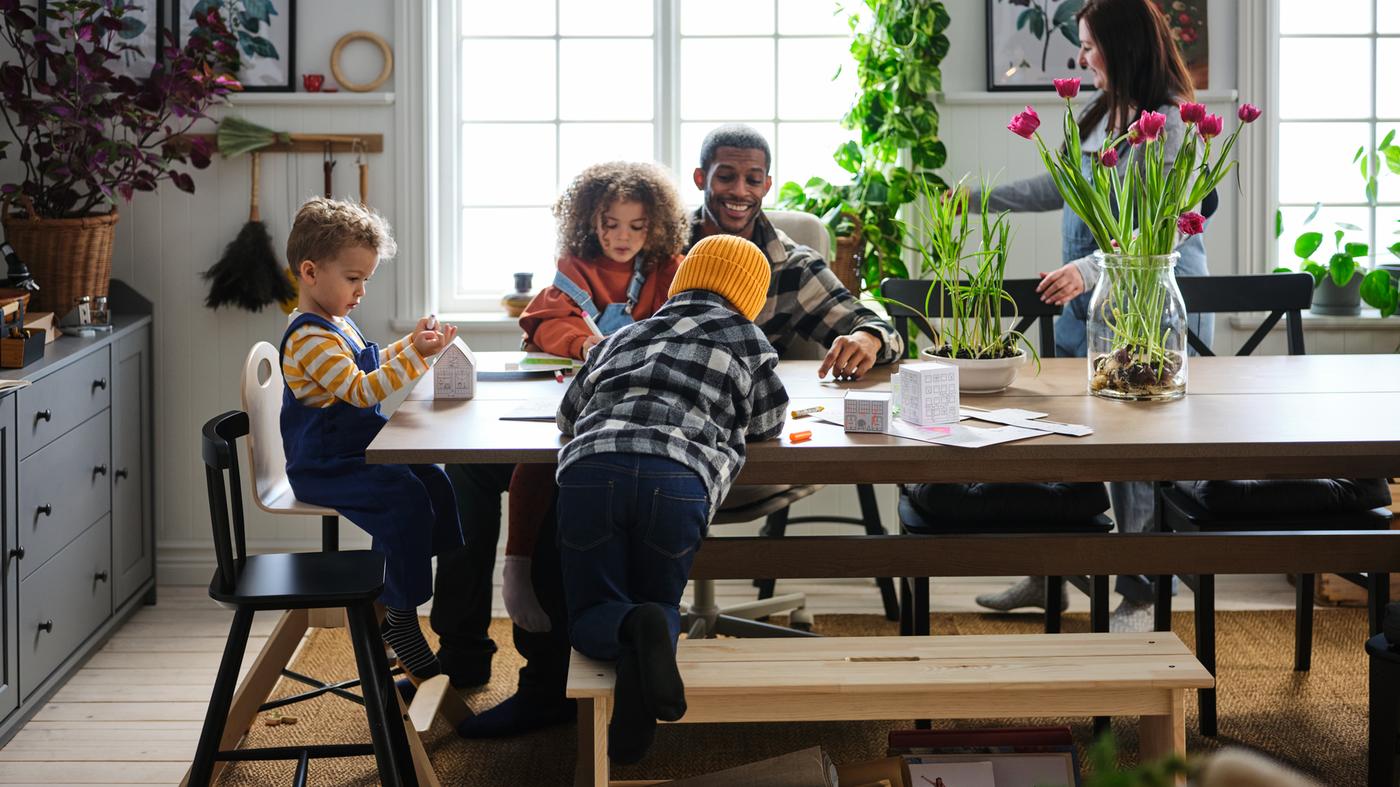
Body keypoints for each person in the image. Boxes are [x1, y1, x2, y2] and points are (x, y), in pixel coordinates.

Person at [443, 125, 904, 738]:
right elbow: (566, 308)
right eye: (725, 176)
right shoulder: (656, 234)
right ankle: (471, 664)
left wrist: (869, 336)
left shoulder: (791, 263)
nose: (739, 190)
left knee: (570, 485)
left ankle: (568, 672)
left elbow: (871, 319)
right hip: (688, 463)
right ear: (700, 179)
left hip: (639, 450)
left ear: (769, 183)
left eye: (753, 177)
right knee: (471, 470)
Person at [969, 0, 1211, 630]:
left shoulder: (1170, 127)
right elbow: (1061, 187)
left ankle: (1141, 593)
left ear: (1123, 45)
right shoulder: (1100, 114)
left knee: (1135, 457)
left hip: (1151, 304)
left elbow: (1156, 234)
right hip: (1092, 304)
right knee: (1077, 442)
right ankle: (1051, 573)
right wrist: (976, 198)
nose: (1083, 56)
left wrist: (1089, 272)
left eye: (1089, 45)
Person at [555, 234, 788, 763]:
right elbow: (769, 422)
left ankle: (634, 637)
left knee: (593, 612)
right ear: (749, 297)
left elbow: (570, 414)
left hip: (594, 469)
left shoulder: (627, 333)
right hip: (678, 479)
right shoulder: (749, 342)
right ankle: (652, 624)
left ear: (683, 281)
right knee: (658, 600)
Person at [278, 197, 462, 681]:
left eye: (367, 280)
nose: (361, 291)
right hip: (325, 465)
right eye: (353, 278)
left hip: (357, 452)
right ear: (311, 272)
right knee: (403, 499)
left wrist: (411, 345)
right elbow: (362, 392)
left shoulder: (337, 323)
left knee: (434, 478)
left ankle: (432, 582)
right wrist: (419, 360)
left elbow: (372, 363)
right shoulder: (309, 338)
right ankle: (400, 615)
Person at [503, 161, 688, 634]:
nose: (622, 236)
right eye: (610, 225)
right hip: (586, 393)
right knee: (542, 457)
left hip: (649, 403)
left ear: (656, 226)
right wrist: (583, 343)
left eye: (636, 226)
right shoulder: (576, 268)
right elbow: (545, 322)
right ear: (590, 222)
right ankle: (518, 566)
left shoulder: (671, 270)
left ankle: (628, 607)